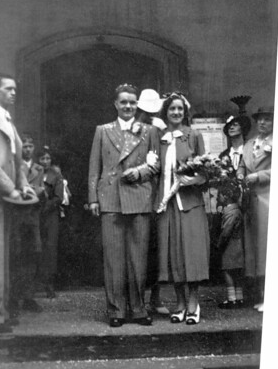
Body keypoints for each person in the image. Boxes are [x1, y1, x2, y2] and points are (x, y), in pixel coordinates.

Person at [88, 83, 159, 327]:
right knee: (113, 259)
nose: (128, 106)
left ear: (137, 104)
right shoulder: (103, 130)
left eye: (132, 102)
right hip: (111, 200)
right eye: (123, 102)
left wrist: (138, 174)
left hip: (139, 197)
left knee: (138, 258)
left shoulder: (148, 131)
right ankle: (116, 310)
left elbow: (155, 166)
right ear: (115, 104)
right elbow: (94, 168)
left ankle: (138, 308)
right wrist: (93, 198)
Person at [0, 73, 36, 333]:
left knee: (3, 258)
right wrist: (10, 188)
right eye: (8, 89)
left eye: (15, 89)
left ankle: (0, 312)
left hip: (6, 197)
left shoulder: (7, 118)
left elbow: (16, 161)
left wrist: (23, 184)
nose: (13, 93)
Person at [154, 92, 210, 325]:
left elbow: (207, 172)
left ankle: (193, 303)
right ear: (165, 112)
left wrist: (193, 180)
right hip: (167, 206)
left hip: (190, 204)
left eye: (179, 109)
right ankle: (179, 303)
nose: (176, 113)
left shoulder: (193, 135)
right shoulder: (159, 137)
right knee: (173, 255)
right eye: (171, 109)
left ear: (184, 112)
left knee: (192, 255)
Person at [135, 89, 169, 316]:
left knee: (155, 250)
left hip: (153, 192)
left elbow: (159, 161)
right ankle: (136, 300)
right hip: (132, 192)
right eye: (144, 111)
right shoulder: (129, 126)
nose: (147, 115)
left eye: (151, 111)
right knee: (137, 250)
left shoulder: (158, 127)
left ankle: (155, 299)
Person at [237, 106, 274, 313]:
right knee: (254, 248)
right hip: (251, 201)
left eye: (267, 120)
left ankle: (271, 295)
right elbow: (243, 165)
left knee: (267, 248)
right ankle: (260, 293)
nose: (263, 123)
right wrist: (241, 175)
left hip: (267, 198)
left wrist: (258, 177)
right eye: (260, 120)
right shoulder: (250, 143)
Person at [9, 134, 46, 315]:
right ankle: (14, 298)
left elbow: (42, 193)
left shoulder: (39, 168)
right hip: (17, 217)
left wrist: (39, 193)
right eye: (24, 146)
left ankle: (29, 297)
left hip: (33, 218)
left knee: (32, 256)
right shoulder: (15, 167)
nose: (28, 149)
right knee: (16, 255)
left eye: (31, 146)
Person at [37, 146, 64, 298]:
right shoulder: (33, 172)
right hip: (34, 214)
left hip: (50, 215)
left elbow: (58, 197)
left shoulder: (56, 174)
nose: (45, 162)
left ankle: (49, 285)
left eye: (48, 158)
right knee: (35, 247)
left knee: (50, 249)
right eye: (42, 158)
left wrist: (45, 208)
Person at [216, 179, 245, 309]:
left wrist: (219, 244)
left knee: (227, 271)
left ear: (225, 196)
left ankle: (231, 299)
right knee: (238, 272)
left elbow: (226, 232)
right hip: (238, 245)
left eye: (220, 195)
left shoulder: (230, 212)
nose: (218, 198)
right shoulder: (237, 210)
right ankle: (240, 298)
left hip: (230, 246)